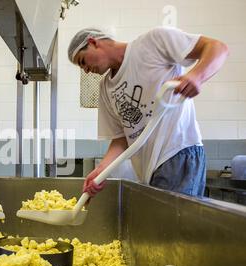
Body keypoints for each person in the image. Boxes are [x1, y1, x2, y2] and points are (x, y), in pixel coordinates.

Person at [68, 26, 229, 197]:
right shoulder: (105, 88)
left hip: (177, 153)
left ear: (93, 42)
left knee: (172, 223)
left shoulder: (153, 42)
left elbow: (217, 47)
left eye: (83, 61)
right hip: (148, 171)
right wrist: (101, 171)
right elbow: (121, 138)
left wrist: (197, 75)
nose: (85, 70)